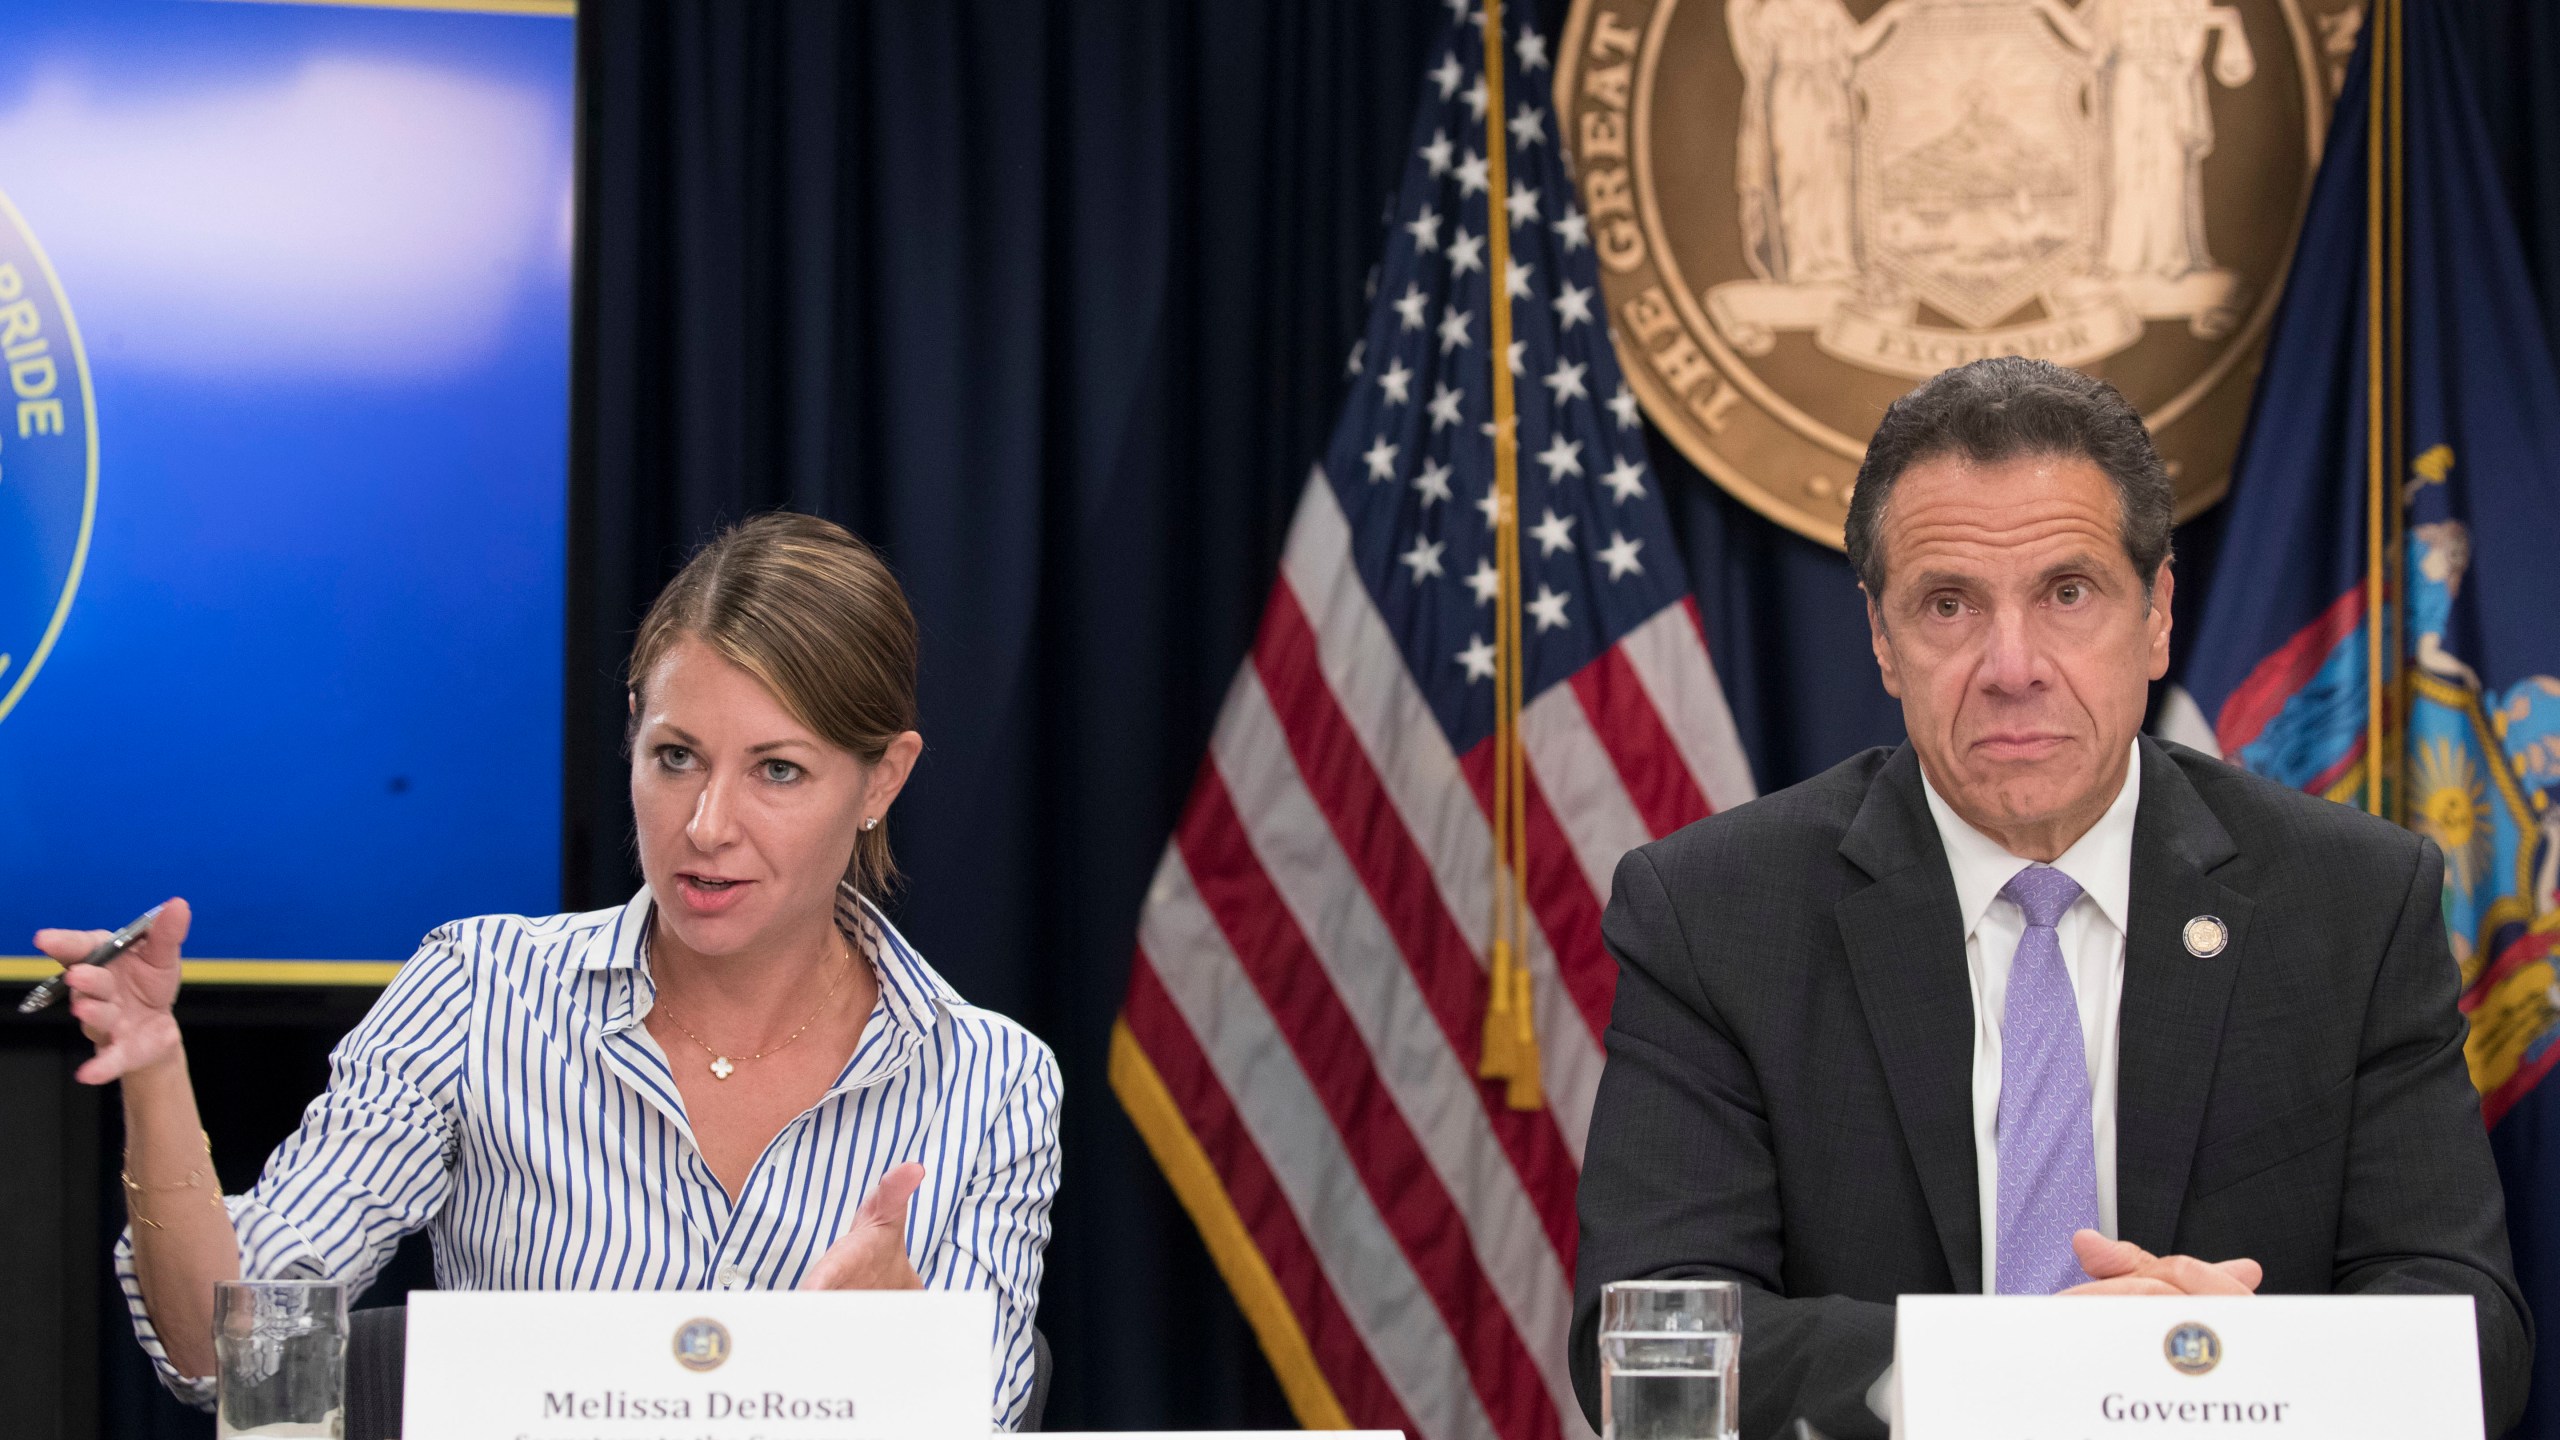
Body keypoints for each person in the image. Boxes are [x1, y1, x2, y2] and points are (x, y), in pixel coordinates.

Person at [1570, 358, 2531, 1439]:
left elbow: (2467, 1331)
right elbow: (1652, 1337)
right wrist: (2026, 1371)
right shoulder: (1712, 913)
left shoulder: (2354, 902)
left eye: (2066, 594)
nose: (2011, 665)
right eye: (1947, 604)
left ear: (2157, 614)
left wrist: (2223, 1366)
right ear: (1882, 640)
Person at [43, 513, 1062, 1429]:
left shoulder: (990, 1080)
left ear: (882, 777)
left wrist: (905, 1354)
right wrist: (155, 1067)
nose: (706, 827)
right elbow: (229, 1355)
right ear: (632, 732)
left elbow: (982, 1411)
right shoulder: (482, 992)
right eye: (675, 757)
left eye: (777, 770)